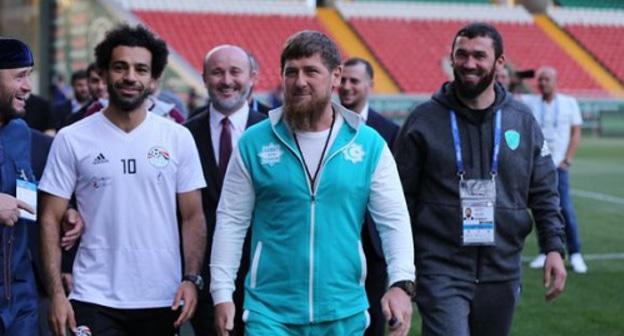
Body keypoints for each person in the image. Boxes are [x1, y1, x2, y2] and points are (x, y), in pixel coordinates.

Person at [211, 30, 415, 336]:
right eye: (291, 72)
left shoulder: (369, 144)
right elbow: (231, 220)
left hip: (344, 310)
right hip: (270, 313)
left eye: (311, 71)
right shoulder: (254, 142)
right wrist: (222, 293)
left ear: (335, 76)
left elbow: (394, 220)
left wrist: (400, 284)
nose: (299, 81)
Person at [393, 22, 567, 336]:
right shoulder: (422, 121)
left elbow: (544, 190)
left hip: (502, 268)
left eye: (479, 55)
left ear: (500, 62)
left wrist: (553, 247)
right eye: (461, 54)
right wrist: (402, 269)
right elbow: (399, 200)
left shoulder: (522, 121)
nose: (469, 63)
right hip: (440, 268)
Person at [38, 24, 207, 336]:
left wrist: (191, 278)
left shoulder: (177, 137)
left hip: (161, 298)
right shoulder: (71, 138)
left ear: (154, 79)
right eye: (120, 67)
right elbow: (50, 217)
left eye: (141, 69)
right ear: (103, 74)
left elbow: (193, 215)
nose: (130, 76)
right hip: (93, 296)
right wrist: (57, 295)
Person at [185, 44, 266, 336]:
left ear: (252, 77)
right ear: (204, 77)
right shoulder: (184, 135)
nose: (227, 80)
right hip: (204, 276)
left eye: (235, 72)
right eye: (217, 72)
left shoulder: (275, 131)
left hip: (265, 277)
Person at [338, 56, 400, 336]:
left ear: (370, 85)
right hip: (336, 240)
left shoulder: (389, 131)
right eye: (343, 80)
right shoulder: (324, 126)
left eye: (355, 81)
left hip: (373, 246)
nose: (347, 86)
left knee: (373, 323)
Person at [522, 66, 588, 273]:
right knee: (540, 209)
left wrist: (568, 159)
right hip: (538, 167)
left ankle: (575, 253)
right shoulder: (531, 103)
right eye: (540, 79)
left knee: (565, 209)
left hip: (559, 166)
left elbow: (576, 132)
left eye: (547, 79)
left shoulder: (569, 103)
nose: (543, 83)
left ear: (555, 80)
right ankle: (545, 251)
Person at [0, 37, 38, 336]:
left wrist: (67, 213)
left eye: (30, 75)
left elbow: (26, 191)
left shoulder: (20, 132)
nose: (28, 87)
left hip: (21, 302)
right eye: (20, 76)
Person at [62, 63, 109, 128]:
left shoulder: (125, 112)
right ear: (88, 83)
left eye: (105, 81)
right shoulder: (75, 120)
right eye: (95, 81)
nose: (100, 87)